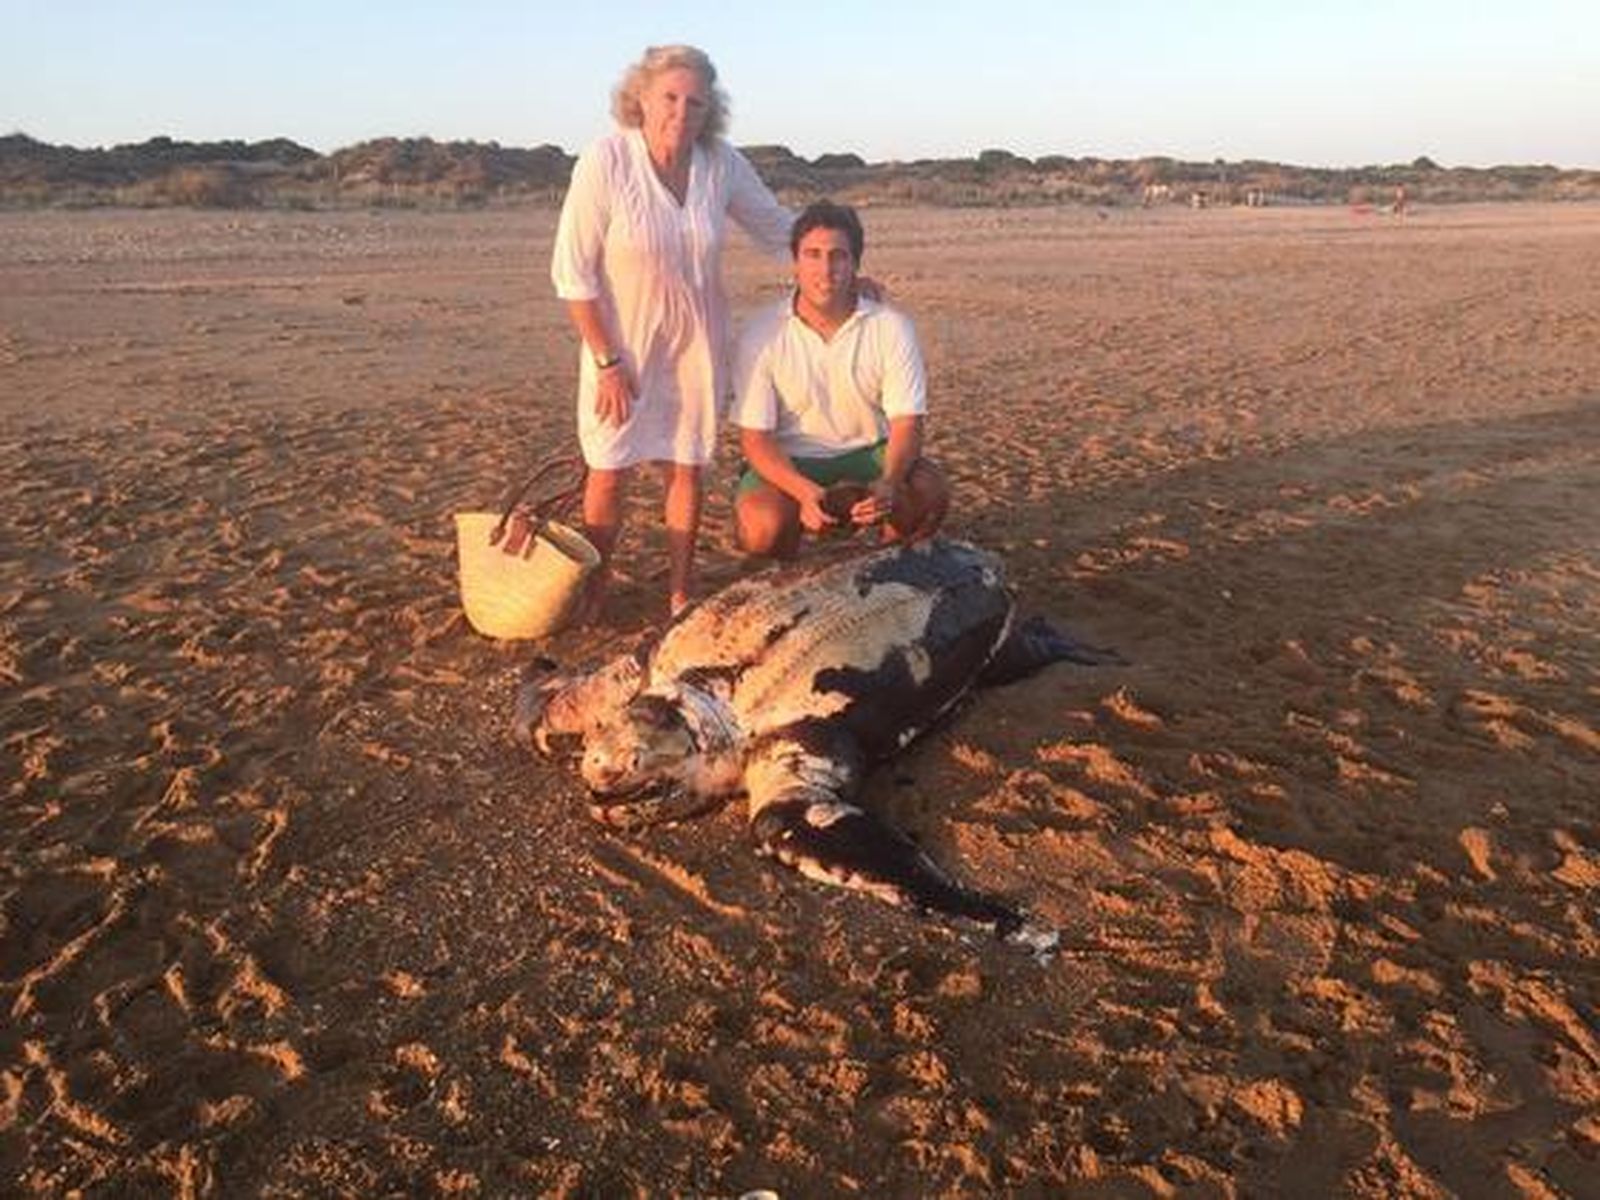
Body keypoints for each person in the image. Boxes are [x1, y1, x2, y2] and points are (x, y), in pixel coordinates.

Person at [550, 44, 794, 618]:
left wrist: (840, 261)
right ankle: (597, 585)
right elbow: (573, 273)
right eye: (670, 97)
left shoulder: (722, 165)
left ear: (711, 111)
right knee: (609, 469)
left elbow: (778, 227)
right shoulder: (606, 160)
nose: (682, 112)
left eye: (696, 102)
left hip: (697, 344)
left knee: (685, 467)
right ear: (641, 97)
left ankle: (680, 589)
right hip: (623, 348)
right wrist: (607, 361)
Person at [733, 201, 949, 559]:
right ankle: (785, 565)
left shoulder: (891, 327)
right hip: (794, 458)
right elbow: (755, 440)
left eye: (839, 256)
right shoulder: (761, 331)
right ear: (795, 263)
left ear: (856, 264)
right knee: (763, 528)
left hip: (869, 452)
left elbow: (907, 424)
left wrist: (889, 483)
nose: (825, 269)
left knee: (930, 494)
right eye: (812, 255)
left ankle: (888, 558)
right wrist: (803, 492)